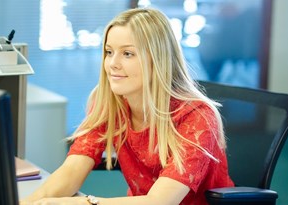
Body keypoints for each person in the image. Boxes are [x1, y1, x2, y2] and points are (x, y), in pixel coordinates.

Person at [20, 7, 234, 205]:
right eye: (109, 52)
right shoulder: (110, 104)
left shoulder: (197, 117)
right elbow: (70, 172)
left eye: (128, 53)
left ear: (157, 60)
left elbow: (159, 202)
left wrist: (82, 203)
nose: (112, 63)